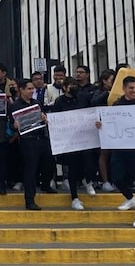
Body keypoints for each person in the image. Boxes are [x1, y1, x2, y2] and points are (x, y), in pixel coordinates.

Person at [97, 75, 135, 228]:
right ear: (123, 89)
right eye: (131, 88)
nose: (134, 91)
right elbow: (110, 123)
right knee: (116, 177)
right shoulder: (117, 104)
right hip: (121, 147)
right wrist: (101, 125)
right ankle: (130, 198)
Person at [51, 77, 95, 210]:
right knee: (73, 168)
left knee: (90, 162)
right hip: (70, 141)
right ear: (64, 87)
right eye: (70, 85)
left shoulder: (82, 98)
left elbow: (89, 113)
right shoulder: (60, 101)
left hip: (84, 139)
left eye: (75, 84)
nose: (73, 87)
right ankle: (74, 198)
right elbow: (56, 119)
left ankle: (88, 180)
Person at [11, 78, 50, 210]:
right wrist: (14, 125)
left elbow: (42, 116)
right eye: (28, 89)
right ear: (21, 90)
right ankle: (29, 200)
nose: (31, 91)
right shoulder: (16, 105)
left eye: (32, 89)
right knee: (30, 170)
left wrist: (44, 117)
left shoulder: (36, 102)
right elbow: (12, 125)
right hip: (28, 140)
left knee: (47, 164)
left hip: (41, 137)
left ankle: (46, 185)